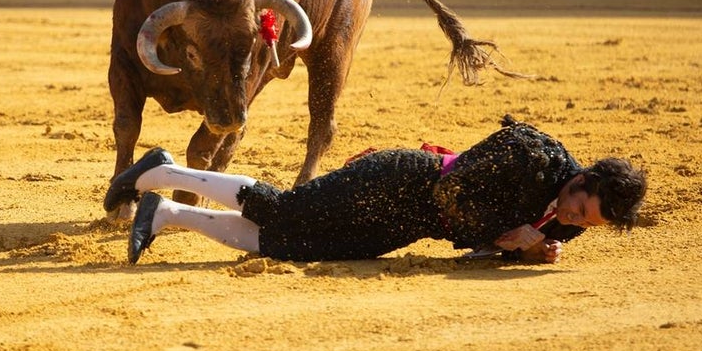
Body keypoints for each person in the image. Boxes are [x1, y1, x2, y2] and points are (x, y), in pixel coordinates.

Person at [108, 115, 645, 266]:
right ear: (581, 179)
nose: (574, 221)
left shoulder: (572, 220)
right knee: (286, 210)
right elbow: (454, 190)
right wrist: (514, 235)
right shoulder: (530, 152)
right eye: (579, 209)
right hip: (398, 181)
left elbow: (501, 244)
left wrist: (530, 252)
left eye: (586, 223)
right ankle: (165, 171)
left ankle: (164, 214)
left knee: (292, 247)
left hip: (405, 225)